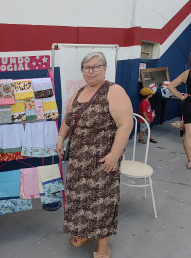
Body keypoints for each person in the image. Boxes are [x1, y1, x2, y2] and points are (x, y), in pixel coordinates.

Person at [55, 52, 133, 258]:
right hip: (78, 161)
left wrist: (114, 155)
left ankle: (104, 245)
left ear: (104, 68)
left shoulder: (113, 90)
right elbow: (68, 119)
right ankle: (86, 233)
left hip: (102, 161)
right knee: (79, 200)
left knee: (101, 202)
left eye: (95, 67)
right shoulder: (79, 91)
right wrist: (60, 138)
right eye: (86, 67)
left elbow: (126, 124)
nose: (90, 71)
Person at [167, 53, 191, 169]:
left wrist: (181, 97)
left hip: (189, 104)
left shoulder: (187, 73)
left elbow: (170, 86)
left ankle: (190, 161)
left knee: (189, 135)